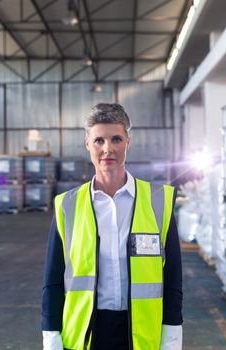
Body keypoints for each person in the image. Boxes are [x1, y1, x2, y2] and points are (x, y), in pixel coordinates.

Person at [42, 102, 183, 350]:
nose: (108, 149)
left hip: (141, 335)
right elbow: (53, 279)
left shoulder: (159, 202)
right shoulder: (67, 206)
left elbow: (172, 279)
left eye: (116, 139)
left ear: (127, 142)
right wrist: (51, 337)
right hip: (86, 334)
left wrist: (171, 337)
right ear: (88, 144)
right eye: (99, 141)